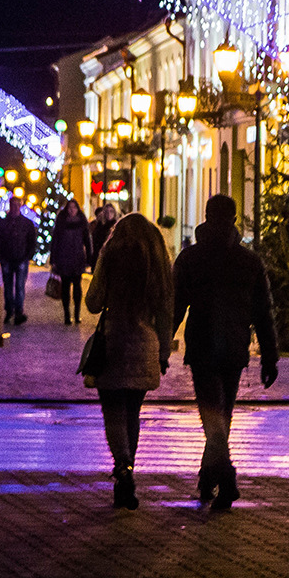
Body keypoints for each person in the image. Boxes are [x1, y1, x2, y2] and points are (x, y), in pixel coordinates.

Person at [173, 194, 278, 510]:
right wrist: (270, 355)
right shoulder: (249, 261)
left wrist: (164, 343)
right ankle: (209, 477)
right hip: (234, 346)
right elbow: (264, 312)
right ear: (234, 218)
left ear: (205, 216)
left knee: (212, 416)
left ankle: (225, 477)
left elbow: (176, 306)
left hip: (203, 345)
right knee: (222, 415)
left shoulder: (190, 258)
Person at [84, 212, 174, 510]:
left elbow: (93, 303)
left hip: (113, 340)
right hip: (145, 344)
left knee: (112, 411)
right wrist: (162, 352)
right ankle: (128, 470)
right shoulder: (159, 262)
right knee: (132, 412)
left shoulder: (110, 254)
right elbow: (165, 312)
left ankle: (122, 466)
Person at [0, 195, 37, 325]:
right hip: (7, 259)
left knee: (20, 286)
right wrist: (0, 256)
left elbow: (32, 241)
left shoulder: (26, 223)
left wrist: (28, 255)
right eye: (13, 205)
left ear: (20, 206)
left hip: (22, 259)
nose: (15, 208)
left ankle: (18, 311)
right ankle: (10, 310)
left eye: (17, 205)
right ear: (9, 206)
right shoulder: (3, 223)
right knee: (8, 287)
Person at [50, 199, 94, 325]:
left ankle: (77, 313)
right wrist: (54, 259)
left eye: (74, 207)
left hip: (77, 258)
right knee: (65, 287)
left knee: (77, 287)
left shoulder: (81, 222)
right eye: (70, 207)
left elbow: (87, 240)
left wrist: (89, 258)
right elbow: (55, 241)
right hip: (63, 258)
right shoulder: (61, 221)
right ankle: (67, 314)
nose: (72, 210)